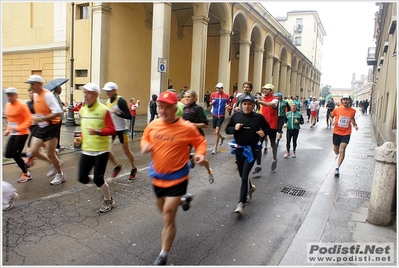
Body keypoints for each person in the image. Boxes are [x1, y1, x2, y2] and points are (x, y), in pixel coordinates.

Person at [140, 90, 207, 265]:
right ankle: (184, 201)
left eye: (167, 107)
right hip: (157, 176)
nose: (162, 111)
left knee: (168, 216)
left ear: (175, 108)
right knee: (162, 210)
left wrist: (200, 154)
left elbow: (200, 142)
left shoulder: (186, 127)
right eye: (160, 107)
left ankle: (163, 254)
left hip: (178, 177)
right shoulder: (153, 124)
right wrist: (145, 144)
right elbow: (145, 136)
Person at [74, 83, 117, 213]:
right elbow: (84, 130)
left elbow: (112, 129)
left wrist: (98, 131)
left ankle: (108, 199)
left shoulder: (104, 110)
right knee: (82, 178)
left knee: (98, 179)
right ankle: (101, 181)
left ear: (96, 95)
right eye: (84, 92)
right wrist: (80, 138)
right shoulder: (83, 109)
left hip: (101, 150)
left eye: (88, 93)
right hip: (87, 149)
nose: (85, 95)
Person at [225, 95, 270, 214]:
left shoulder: (258, 117)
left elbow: (267, 128)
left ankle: (241, 203)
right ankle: (250, 188)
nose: (247, 106)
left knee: (245, 176)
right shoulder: (236, 116)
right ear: (241, 105)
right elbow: (227, 129)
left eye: (249, 104)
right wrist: (234, 128)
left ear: (254, 105)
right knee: (242, 175)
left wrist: (264, 132)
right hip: (239, 150)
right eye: (244, 104)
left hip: (252, 150)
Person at [25, 75, 66, 185]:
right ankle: (52, 163)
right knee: (33, 150)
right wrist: (34, 118)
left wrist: (41, 118)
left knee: (50, 153)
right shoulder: (35, 95)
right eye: (30, 84)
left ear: (39, 84)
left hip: (52, 127)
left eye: (33, 84)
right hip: (41, 126)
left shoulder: (47, 95)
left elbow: (58, 112)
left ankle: (60, 175)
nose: (31, 86)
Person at [102, 82, 138, 180]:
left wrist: (117, 112)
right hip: (112, 129)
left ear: (114, 91)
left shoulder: (121, 101)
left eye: (109, 91)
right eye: (106, 91)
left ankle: (133, 168)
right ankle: (117, 166)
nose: (107, 93)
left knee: (126, 151)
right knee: (105, 149)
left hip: (122, 129)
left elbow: (129, 116)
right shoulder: (108, 101)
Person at [182, 89, 214, 183]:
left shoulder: (198, 109)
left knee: (200, 160)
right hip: (187, 136)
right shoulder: (184, 108)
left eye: (189, 97)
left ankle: (209, 170)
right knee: (183, 157)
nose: (186, 99)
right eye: (185, 97)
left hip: (197, 136)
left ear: (194, 98)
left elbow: (206, 124)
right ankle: (183, 177)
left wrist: (192, 125)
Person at [3, 87, 33, 183]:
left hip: (22, 133)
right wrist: (8, 130)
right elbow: (10, 120)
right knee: (8, 154)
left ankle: (26, 173)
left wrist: (18, 128)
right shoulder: (7, 105)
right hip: (13, 133)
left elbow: (29, 120)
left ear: (16, 95)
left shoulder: (22, 106)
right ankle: (28, 154)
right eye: (8, 95)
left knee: (15, 155)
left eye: (12, 95)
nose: (10, 97)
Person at [331, 94, 359, 177]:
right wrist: (332, 121)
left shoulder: (353, 111)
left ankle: (337, 168)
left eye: (347, 99)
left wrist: (355, 125)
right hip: (336, 132)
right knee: (336, 150)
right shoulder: (337, 109)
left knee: (342, 149)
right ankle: (336, 154)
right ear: (341, 100)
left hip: (346, 133)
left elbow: (352, 118)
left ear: (349, 100)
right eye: (344, 99)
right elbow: (331, 116)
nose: (345, 101)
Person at [256, 84, 279, 172]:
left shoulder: (275, 99)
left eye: (267, 89)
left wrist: (258, 100)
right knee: (258, 144)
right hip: (263, 125)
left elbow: (269, 104)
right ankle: (258, 165)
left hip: (272, 125)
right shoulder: (262, 98)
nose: (264, 90)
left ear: (271, 91)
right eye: (264, 89)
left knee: (273, 144)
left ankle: (274, 159)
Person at [210, 82, 230, 154]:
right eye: (217, 88)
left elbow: (228, 104)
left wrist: (227, 106)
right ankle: (221, 137)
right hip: (214, 114)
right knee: (215, 132)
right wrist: (211, 103)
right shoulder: (213, 94)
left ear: (222, 88)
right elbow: (210, 103)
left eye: (219, 88)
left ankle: (215, 148)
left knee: (217, 131)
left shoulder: (227, 96)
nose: (218, 89)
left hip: (221, 115)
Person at [52, 86, 66, 153]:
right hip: (56, 118)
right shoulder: (54, 96)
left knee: (58, 132)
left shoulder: (56, 96)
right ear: (58, 89)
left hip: (59, 117)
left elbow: (59, 104)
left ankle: (58, 145)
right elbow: (56, 106)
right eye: (61, 89)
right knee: (56, 132)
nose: (61, 90)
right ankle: (56, 146)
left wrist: (62, 103)